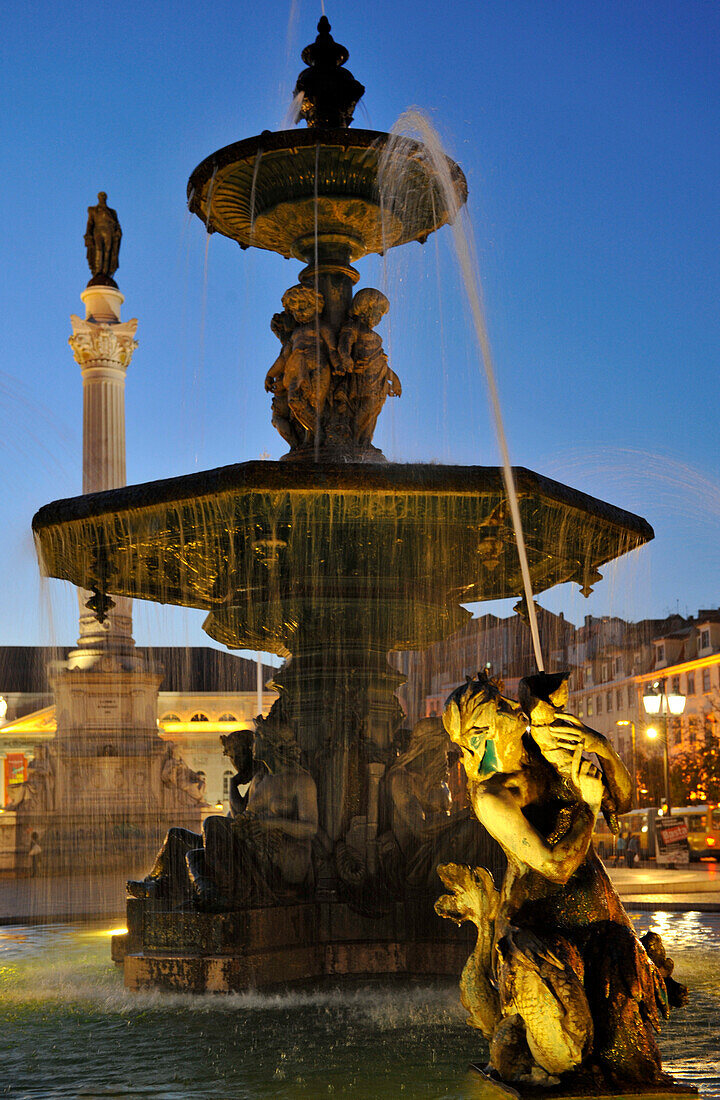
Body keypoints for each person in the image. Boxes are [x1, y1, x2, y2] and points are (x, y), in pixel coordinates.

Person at [436, 672, 685, 1090]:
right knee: (573, 1059)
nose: (472, 749)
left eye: (480, 729)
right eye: (468, 738)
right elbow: (555, 867)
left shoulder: (547, 755)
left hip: (602, 921)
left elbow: (622, 800)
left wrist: (598, 745)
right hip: (543, 932)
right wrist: (586, 805)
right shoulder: (493, 796)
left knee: (636, 1069)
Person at [187, 716, 319, 910]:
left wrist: (272, 824)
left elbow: (311, 828)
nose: (253, 745)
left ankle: (225, 895)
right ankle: (211, 892)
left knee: (212, 824)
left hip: (287, 859)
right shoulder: (260, 779)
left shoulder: (301, 781)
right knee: (193, 855)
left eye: (258, 739)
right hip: (257, 850)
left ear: (273, 743)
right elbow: (242, 816)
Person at [127, 729, 255, 902]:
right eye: (231, 758)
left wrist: (232, 784)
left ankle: (162, 886)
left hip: (234, 847)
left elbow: (240, 815)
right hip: (223, 842)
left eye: (238, 756)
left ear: (250, 752)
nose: (235, 763)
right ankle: (155, 882)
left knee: (204, 832)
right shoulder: (253, 778)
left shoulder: (258, 779)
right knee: (175, 835)